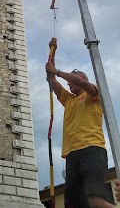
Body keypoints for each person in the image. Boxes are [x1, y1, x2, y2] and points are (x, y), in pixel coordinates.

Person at [45, 37, 114, 208]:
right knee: (74, 205)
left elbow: (81, 82)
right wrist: (52, 54)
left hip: (92, 149)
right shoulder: (69, 100)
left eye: (72, 80)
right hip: (72, 154)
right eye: (68, 81)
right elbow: (52, 80)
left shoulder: (94, 94)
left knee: (95, 200)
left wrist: (58, 71)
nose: (68, 83)